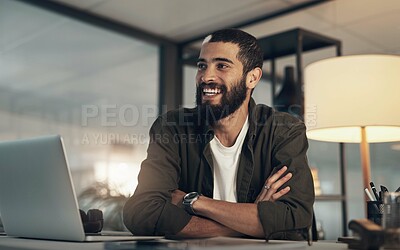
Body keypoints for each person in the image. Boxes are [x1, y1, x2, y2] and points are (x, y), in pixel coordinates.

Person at [123, 29, 314, 240]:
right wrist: (249, 224)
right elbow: (141, 213)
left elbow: (295, 219)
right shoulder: (172, 127)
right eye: (202, 65)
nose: (206, 76)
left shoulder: (283, 131)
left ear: (252, 77)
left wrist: (193, 201)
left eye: (221, 65)